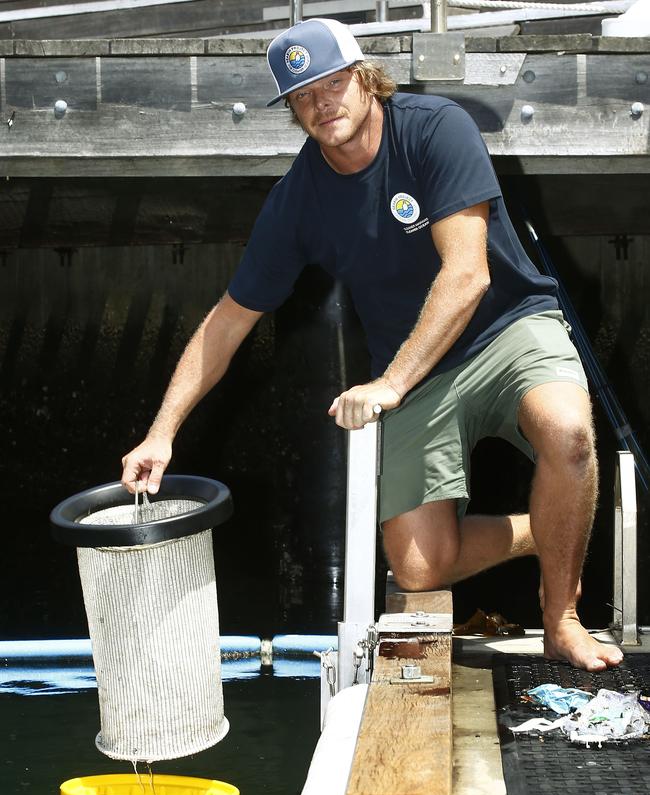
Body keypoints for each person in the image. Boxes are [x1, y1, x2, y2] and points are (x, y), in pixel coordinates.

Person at [121, 17, 622, 673]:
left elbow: (468, 274)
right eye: (303, 96)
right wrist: (162, 433)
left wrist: (388, 384)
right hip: (419, 372)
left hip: (507, 328)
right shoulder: (297, 199)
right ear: (293, 111)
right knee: (419, 567)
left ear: (365, 78)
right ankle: (545, 527)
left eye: (332, 84)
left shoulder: (433, 128)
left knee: (569, 435)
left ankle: (562, 619)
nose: (321, 103)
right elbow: (228, 321)